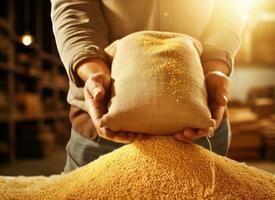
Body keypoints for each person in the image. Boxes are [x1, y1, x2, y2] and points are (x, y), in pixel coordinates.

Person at [51, 0, 244, 172]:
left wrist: (215, 68)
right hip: (104, 130)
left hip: (202, 119)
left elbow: (228, 13)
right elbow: (74, 8)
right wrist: (94, 73)